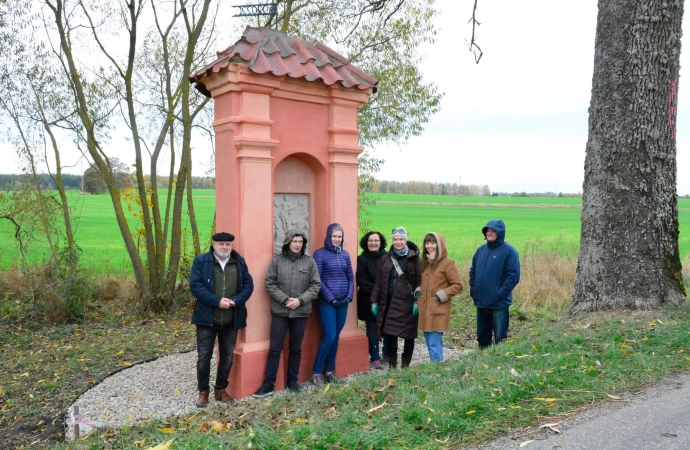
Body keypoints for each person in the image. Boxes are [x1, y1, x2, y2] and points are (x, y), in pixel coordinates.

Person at [253, 229, 321, 398]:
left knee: (296, 348)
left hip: (300, 312)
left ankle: (292, 381)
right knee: (275, 349)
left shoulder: (309, 262)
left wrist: (300, 300)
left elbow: (315, 285)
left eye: (300, 242)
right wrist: (284, 300)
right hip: (280, 312)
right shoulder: (277, 261)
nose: (297, 245)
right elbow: (269, 283)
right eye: (294, 241)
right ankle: (268, 384)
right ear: (288, 243)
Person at [190, 232, 254, 407]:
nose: (225, 247)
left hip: (231, 319)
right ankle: (203, 392)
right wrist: (217, 301)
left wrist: (237, 301)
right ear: (214, 245)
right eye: (221, 244)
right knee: (204, 357)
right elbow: (195, 286)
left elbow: (249, 284)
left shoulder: (239, 262)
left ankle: (220, 389)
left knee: (227, 357)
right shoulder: (202, 261)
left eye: (228, 244)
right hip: (207, 319)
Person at [370, 226, 421, 369]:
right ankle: (392, 368)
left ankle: (405, 367)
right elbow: (379, 282)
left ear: (405, 240)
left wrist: (418, 302)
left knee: (409, 336)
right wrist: (374, 301)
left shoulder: (414, 259)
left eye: (401, 239)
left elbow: (419, 282)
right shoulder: (386, 259)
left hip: (408, 305)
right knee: (390, 335)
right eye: (395, 239)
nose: (398, 242)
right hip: (389, 304)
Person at [311, 223, 355, 386]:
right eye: (334, 236)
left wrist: (349, 296)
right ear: (328, 237)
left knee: (336, 337)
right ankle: (316, 373)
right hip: (327, 302)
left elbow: (350, 277)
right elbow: (318, 279)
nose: (337, 239)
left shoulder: (345, 255)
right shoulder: (320, 254)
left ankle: (330, 371)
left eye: (339, 237)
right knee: (329, 337)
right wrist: (330, 298)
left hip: (343, 302)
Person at [469, 220, 521, 349]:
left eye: (493, 231)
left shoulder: (509, 251)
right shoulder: (481, 251)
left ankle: (499, 363)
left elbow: (513, 276)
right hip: (481, 302)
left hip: (499, 304)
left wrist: (499, 294)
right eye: (488, 231)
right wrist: (474, 289)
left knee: (500, 339)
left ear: (500, 233)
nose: (489, 233)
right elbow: (473, 271)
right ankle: (482, 362)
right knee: (482, 337)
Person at [416, 232, 463, 362]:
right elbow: (425, 282)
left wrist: (441, 295)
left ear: (440, 245)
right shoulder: (425, 263)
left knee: (434, 345)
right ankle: (436, 370)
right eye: (427, 242)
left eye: (433, 242)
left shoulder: (448, 263)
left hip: (438, 310)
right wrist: (419, 290)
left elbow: (458, 285)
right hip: (425, 311)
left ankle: (437, 374)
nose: (429, 246)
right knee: (429, 345)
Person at [356, 231, 388, 370]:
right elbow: (361, 280)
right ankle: (375, 357)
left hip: (387, 298)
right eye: (370, 240)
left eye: (376, 240)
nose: (373, 243)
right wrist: (378, 291)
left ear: (381, 243)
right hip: (369, 299)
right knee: (373, 329)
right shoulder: (361, 259)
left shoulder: (387, 257)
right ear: (366, 242)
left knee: (388, 327)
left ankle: (387, 353)